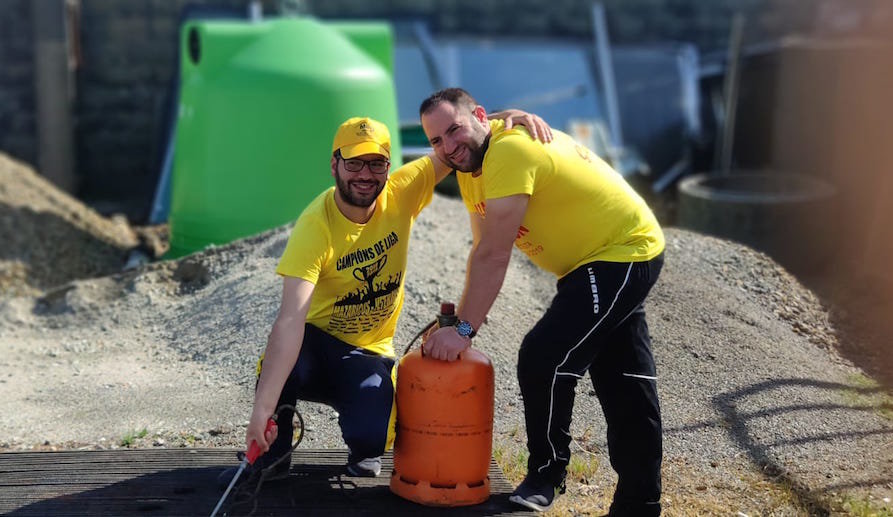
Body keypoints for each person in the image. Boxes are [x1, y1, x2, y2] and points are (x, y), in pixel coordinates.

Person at [235, 111, 551, 484]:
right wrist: (263, 410)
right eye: (354, 162)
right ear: (334, 164)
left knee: (372, 441)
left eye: (376, 163)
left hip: (367, 353)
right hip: (313, 345)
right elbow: (290, 321)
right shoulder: (315, 226)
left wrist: (500, 118)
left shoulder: (403, 190)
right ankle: (270, 461)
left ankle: (363, 445)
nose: (365, 174)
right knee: (285, 368)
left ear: (389, 167)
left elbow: (456, 144)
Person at [420, 88, 666, 516]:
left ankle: (546, 475)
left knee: (544, 358)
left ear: (480, 116)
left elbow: (497, 256)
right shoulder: (471, 164)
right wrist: (459, 321)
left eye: (454, 130)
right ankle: (640, 504)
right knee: (624, 380)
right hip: (592, 263)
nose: (448, 147)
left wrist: (463, 332)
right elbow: (482, 251)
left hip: (621, 252)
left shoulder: (509, 152)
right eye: (436, 140)